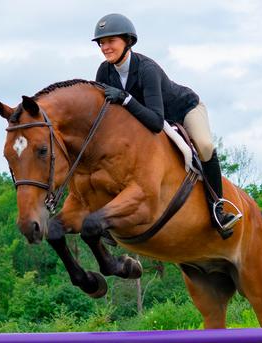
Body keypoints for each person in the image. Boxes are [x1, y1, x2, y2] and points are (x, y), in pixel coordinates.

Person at [92, 13, 241, 238]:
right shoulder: (104, 71)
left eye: (110, 41)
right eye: (102, 42)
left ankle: (218, 208)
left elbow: (155, 121)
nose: (105, 47)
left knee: (204, 145)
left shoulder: (146, 69)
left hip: (183, 110)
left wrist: (125, 98)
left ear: (127, 41)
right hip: (149, 117)